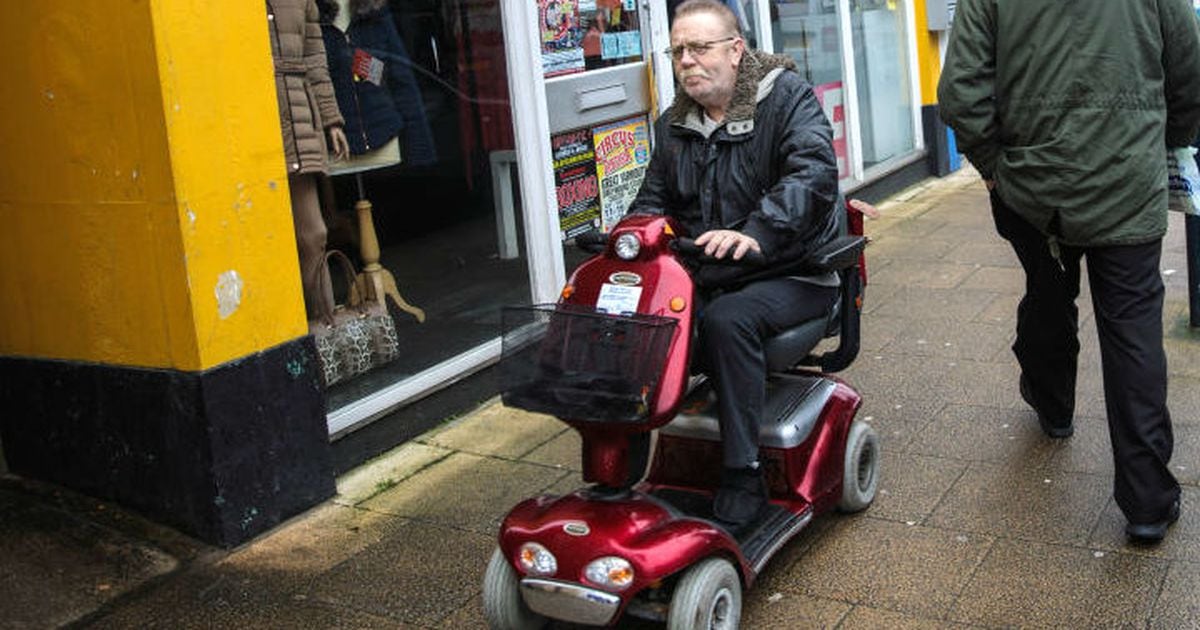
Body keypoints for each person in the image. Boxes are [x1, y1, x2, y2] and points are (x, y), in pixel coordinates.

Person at [938, 0, 1200, 543]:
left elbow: (961, 93)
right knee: (1132, 335)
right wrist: (1162, 142)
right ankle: (1147, 502)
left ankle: (1053, 405)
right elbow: (1190, 74)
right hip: (1128, 179)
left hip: (1031, 185)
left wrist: (994, 169)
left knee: (1048, 294)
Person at [628, 0, 842, 528]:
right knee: (632, 312)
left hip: (793, 269)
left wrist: (754, 233)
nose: (687, 62)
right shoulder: (674, 126)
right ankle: (624, 456)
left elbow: (812, 177)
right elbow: (651, 202)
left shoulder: (786, 99)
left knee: (728, 321)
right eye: (678, 51)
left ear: (735, 50)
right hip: (710, 273)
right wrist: (630, 238)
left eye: (699, 48)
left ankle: (744, 472)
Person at [267, 0, 350, 322]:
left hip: (299, 116)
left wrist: (332, 121)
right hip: (251, 117)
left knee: (313, 234)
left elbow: (315, 60)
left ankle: (324, 327)